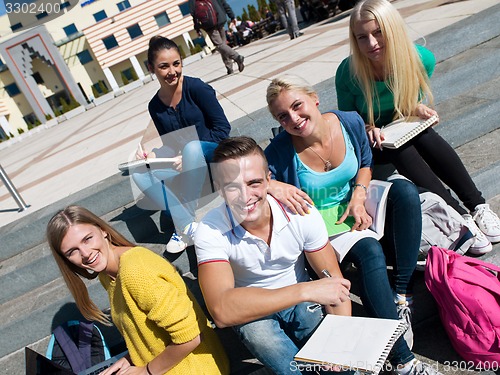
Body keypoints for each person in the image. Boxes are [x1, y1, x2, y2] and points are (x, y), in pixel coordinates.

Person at [265, 75, 442, 375]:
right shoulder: (280, 151)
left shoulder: (348, 121)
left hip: (354, 201)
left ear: (314, 98)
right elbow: (246, 178)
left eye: (297, 106)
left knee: (404, 191)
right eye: (283, 116)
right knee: (370, 250)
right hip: (322, 226)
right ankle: (402, 360)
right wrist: (273, 185)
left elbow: (364, 162)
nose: (294, 119)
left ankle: (400, 294)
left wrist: (359, 194)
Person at [335, 0, 500, 253]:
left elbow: (404, 101)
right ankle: (456, 215)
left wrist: (415, 107)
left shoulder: (420, 59)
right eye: (362, 37)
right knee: (399, 147)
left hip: (402, 132)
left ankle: (477, 206)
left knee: (423, 133)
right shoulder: (348, 72)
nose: (372, 43)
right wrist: (368, 128)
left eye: (378, 32)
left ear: (392, 28)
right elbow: (348, 122)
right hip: (373, 148)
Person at [194, 136, 352, 374]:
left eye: (254, 183)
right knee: (261, 336)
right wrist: (305, 290)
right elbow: (222, 311)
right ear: (220, 189)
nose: (245, 196)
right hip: (252, 307)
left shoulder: (301, 213)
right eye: (232, 187)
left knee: (341, 363)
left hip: (300, 302)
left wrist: (340, 348)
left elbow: (335, 287)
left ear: (269, 180)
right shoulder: (210, 229)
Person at [46, 205, 229, 375]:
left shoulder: (135, 270)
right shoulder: (107, 275)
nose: (85, 253)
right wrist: (132, 357)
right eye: (72, 251)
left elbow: (191, 336)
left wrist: (147, 371)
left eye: (87, 239)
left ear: (102, 230)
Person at [132, 36, 230, 253]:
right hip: (189, 170)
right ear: (151, 68)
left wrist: (188, 156)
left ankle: (182, 222)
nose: (172, 71)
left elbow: (223, 129)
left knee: (193, 147)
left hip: (215, 158)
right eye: (164, 66)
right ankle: (187, 224)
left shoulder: (197, 89)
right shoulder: (155, 106)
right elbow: (170, 144)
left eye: (176, 63)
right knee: (139, 171)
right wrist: (155, 156)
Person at [189, 0, 245, 75]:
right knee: (223, 45)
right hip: (220, 19)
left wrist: (197, 28)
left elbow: (194, 14)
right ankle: (229, 67)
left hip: (209, 24)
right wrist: (232, 16)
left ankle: (237, 57)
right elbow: (224, 4)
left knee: (220, 46)